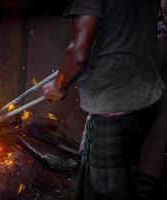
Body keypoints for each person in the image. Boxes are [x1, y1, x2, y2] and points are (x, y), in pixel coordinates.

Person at [43, 0, 166, 200]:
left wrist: (58, 87)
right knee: (125, 181)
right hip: (146, 96)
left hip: (113, 105)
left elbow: (78, 55)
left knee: (104, 193)